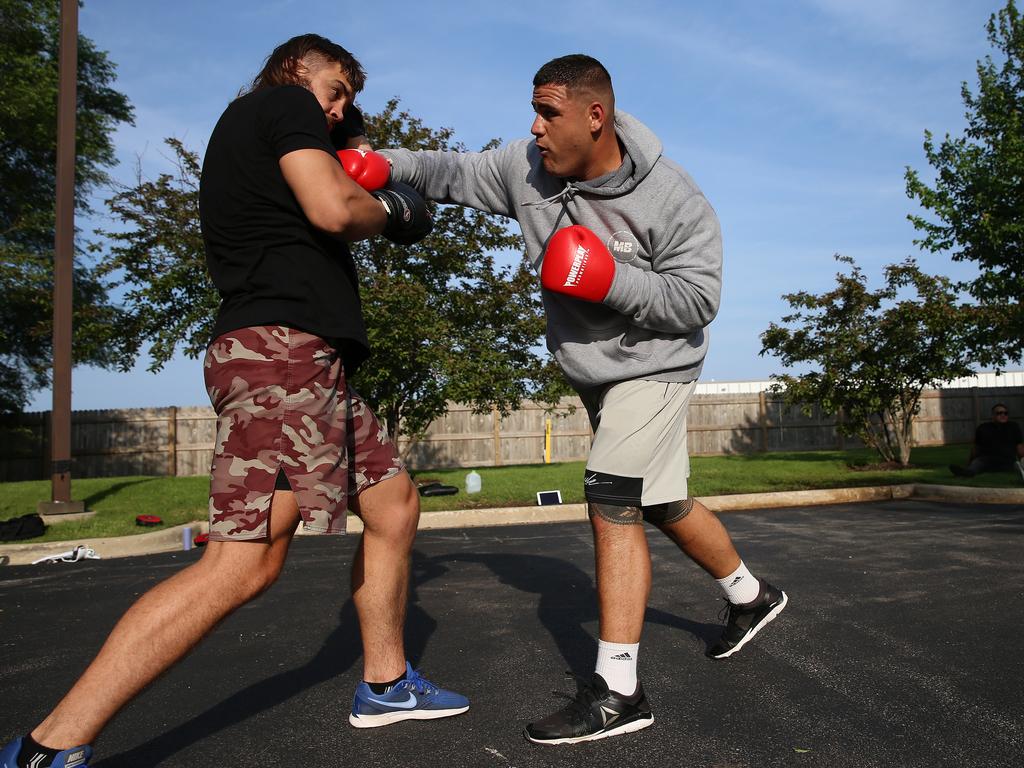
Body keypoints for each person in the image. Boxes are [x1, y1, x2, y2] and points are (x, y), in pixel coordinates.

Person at [1, 34, 464, 768]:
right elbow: (334, 206)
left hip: (310, 360)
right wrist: (396, 211)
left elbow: (338, 158)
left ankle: (385, 682)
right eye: (336, 88)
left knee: (394, 503)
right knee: (241, 565)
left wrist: (350, 127)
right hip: (280, 356)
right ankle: (49, 744)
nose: (342, 107)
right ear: (294, 71)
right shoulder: (280, 103)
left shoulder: (276, 123)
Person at [377, 54, 788, 745]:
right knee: (661, 502)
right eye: (533, 112)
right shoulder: (525, 169)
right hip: (595, 372)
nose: (534, 129)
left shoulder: (672, 198)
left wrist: (606, 278)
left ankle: (620, 691)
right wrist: (368, 162)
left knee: (611, 494)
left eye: (549, 113)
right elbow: (443, 171)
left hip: (658, 364)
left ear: (595, 116)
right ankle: (752, 597)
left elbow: (696, 301)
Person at [950, 403, 1024, 481]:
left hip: (1008, 460)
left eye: (1005, 413)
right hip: (986, 460)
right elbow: (976, 448)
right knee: (977, 463)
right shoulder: (983, 428)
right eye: (999, 413)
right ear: (993, 415)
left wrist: (1022, 459)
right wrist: (969, 463)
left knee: (1017, 466)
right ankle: (967, 472)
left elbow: (1019, 446)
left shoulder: (1013, 427)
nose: (1003, 415)